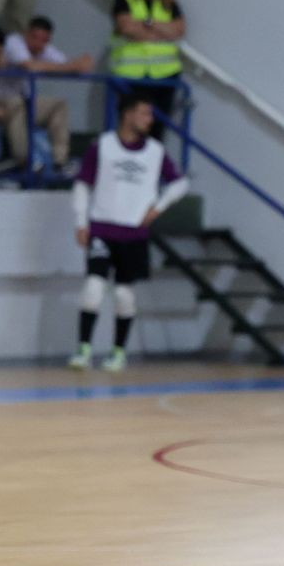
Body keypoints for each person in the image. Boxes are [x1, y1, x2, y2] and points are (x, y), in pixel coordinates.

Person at [69, 95, 189, 372]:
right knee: (93, 287)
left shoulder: (155, 152)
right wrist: (81, 221)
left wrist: (157, 208)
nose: (150, 119)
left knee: (124, 295)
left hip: (133, 234)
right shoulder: (103, 147)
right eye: (144, 113)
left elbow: (180, 184)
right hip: (101, 227)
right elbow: (82, 185)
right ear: (127, 114)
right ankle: (83, 349)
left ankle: (118, 351)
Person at [0, 17, 93, 172]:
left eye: (43, 40)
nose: (38, 44)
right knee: (17, 105)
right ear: (26, 33)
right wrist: (71, 66)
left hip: (26, 101)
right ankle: (25, 162)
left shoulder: (44, 49)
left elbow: (69, 65)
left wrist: (80, 63)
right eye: (34, 38)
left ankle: (60, 161)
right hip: (0, 101)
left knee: (59, 105)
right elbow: (31, 66)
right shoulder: (14, 42)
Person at [109, 0, 184, 141]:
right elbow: (127, 28)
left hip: (165, 76)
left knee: (157, 126)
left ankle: (152, 163)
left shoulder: (169, 2)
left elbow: (178, 30)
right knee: (130, 126)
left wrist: (148, 23)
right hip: (130, 76)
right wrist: (162, 32)